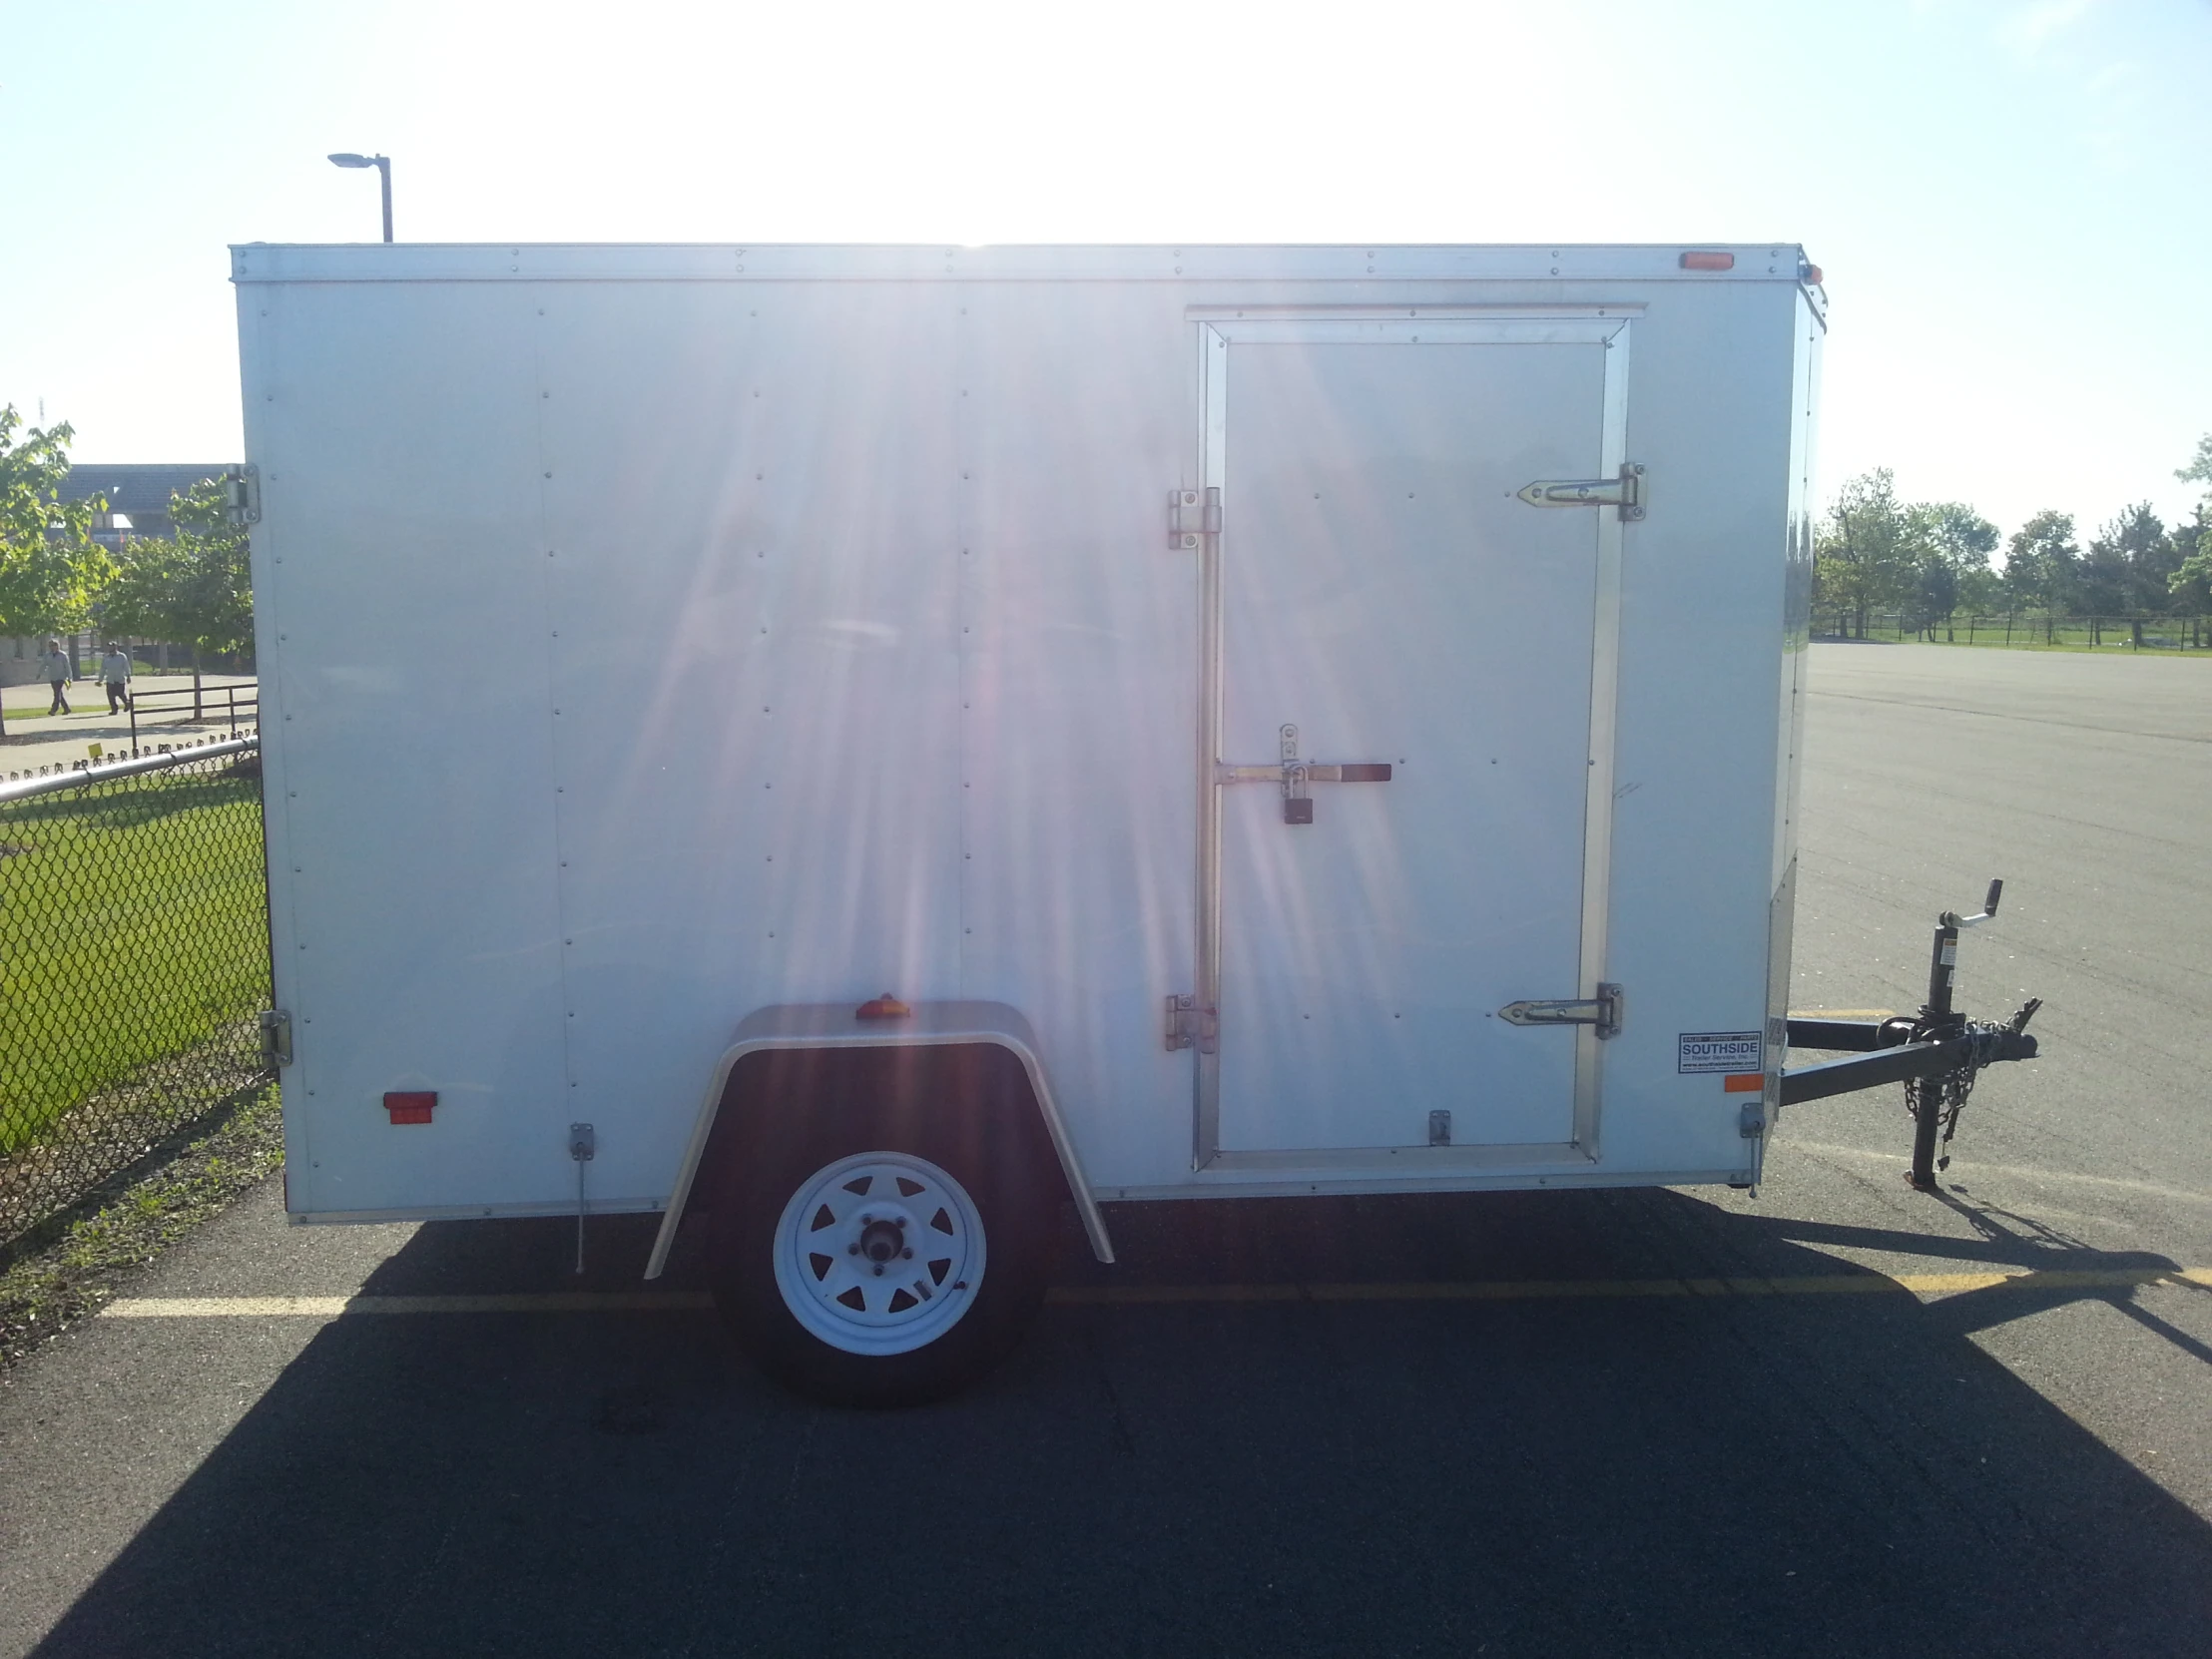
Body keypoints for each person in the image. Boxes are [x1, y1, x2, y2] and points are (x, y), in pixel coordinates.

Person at [36, 639, 71, 716]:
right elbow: (43, 665)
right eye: (50, 646)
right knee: (59, 694)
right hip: (52, 677)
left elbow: (67, 667)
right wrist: (39, 673)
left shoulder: (63, 655)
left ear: (57, 646)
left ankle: (53, 709)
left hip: (61, 677)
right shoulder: (48, 655)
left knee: (57, 693)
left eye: (53, 646)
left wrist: (69, 677)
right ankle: (66, 708)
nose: (51, 648)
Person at [100, 641, 132, 715]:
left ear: (115, 647)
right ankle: (114, 709)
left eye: (111, 646)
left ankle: (127, 704)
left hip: (119, 678)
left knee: (120, 693)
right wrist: (100, 680)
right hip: (110, 679)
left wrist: (128, 676)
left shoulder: (121, 656)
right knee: (110, 695)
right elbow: (103, 669)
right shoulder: (106, 657)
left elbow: (126, 666)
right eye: (109, 646)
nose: (110, 648)